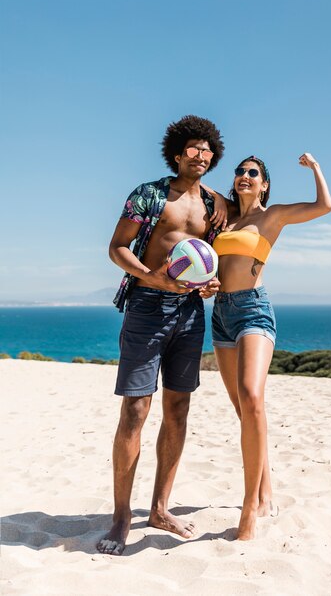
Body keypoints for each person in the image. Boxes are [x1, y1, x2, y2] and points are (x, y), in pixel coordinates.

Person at [97, 115, 226, 555]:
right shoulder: (149, 194)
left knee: (178, 409)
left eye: (207, 149)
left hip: (190, 312)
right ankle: (119, 518)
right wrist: (153, 279)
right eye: (193, 147)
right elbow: (117, 247)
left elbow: (213, 262)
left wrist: (212, 285)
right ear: (176, 152)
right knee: (135, 410)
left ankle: (158, 508)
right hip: (147, 308)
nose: (201, 154)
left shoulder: (216, 204)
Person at [211, 152, 331, 540]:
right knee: (242, 410)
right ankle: (265, 492)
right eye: (240, 171)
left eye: (253, 173)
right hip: (220, 314)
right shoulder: (224, 217)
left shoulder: (272, 215)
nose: (244, 176)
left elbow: (323, 206)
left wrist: (315, 168)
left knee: (252, 397)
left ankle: (250, 507)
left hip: (253, 311)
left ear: (264, 184)